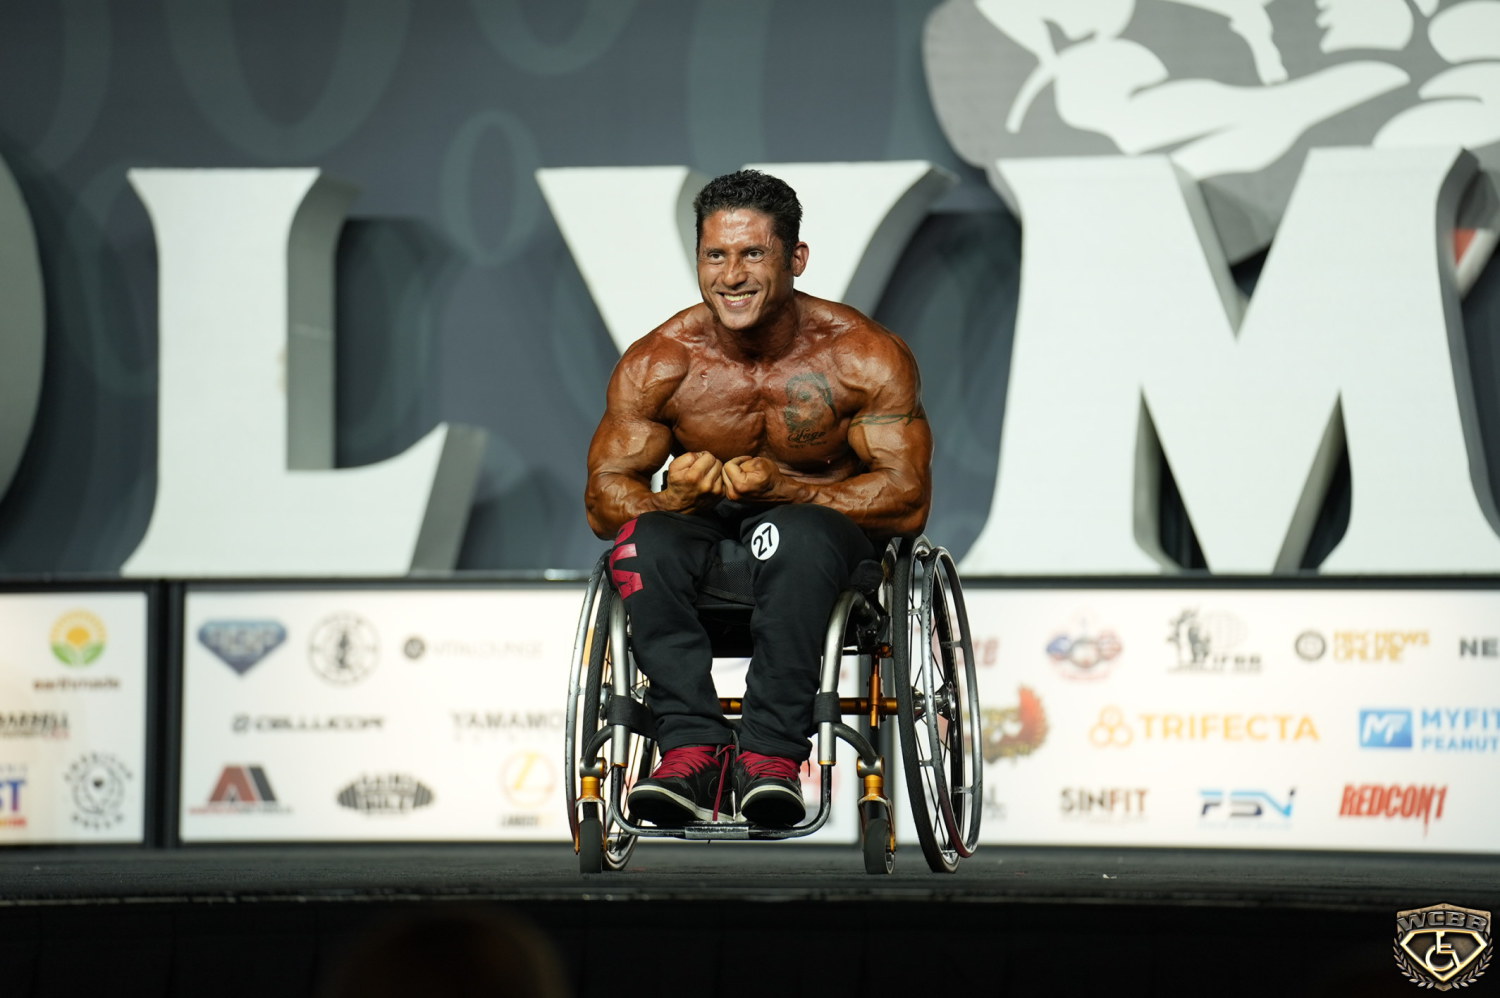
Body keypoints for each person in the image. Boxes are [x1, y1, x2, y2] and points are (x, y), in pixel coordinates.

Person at [583, 169, 932, 828]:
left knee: (796, 535)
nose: (732, 275)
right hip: (709, 531)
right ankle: (690, 748)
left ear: (795, 258)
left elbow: (908, 498)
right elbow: (603, 501)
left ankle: (770, 755)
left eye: (752, 254)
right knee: (639, 543)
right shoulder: (661, 363)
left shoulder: (862, 357)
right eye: (715, 255)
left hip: (824, 537)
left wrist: (789, 487)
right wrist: (671, 501)